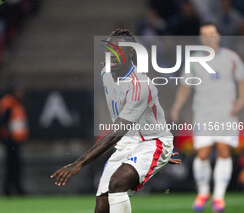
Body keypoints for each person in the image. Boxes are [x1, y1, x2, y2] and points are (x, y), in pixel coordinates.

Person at [51, 29, 181, 213]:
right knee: (102, 203)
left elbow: (114, 135)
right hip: (128, 142)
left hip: (152, 142)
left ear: (130, 52)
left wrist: (79, 162)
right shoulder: (106, 73)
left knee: (118, 182)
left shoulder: (140, 86)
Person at [171, 23, 244, 213]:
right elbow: (186, 86)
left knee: (224, 152)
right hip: (203, 114)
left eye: (213, 33)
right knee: (202, 154)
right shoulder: (194, 60)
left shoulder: (231, 58)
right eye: (205, 35)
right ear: (201, 39)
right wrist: (177, 106)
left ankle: (219, 197)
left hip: (226, 114)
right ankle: (203, 192)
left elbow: (241, 80)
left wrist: (240, 100)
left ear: (219, 36)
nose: (209, 37)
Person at [0, 81, 29, 196]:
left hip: (16, 140)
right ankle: (9, 189)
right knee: (12, 166)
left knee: (16, 165)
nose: (21, 93)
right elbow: (2, 121)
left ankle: (15, 187)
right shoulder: (9, 104)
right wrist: (3, 136)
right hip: (10, 140)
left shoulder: (16, 103)